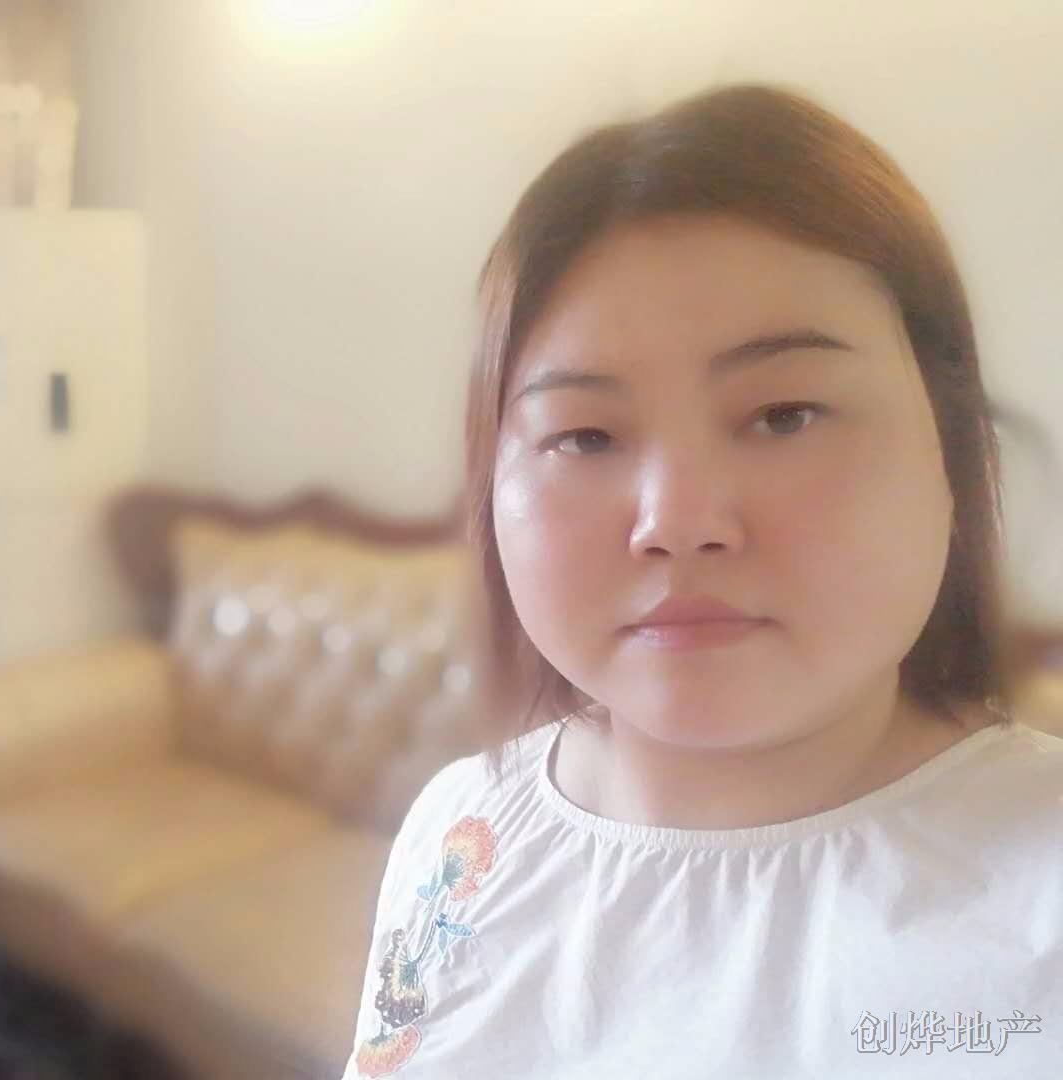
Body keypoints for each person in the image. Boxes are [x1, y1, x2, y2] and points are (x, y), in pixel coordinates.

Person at [341, 83, 1063, 1078]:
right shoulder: (457, 832)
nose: (676, 522)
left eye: (784, 416)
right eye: (584, 435)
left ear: (952, 459)